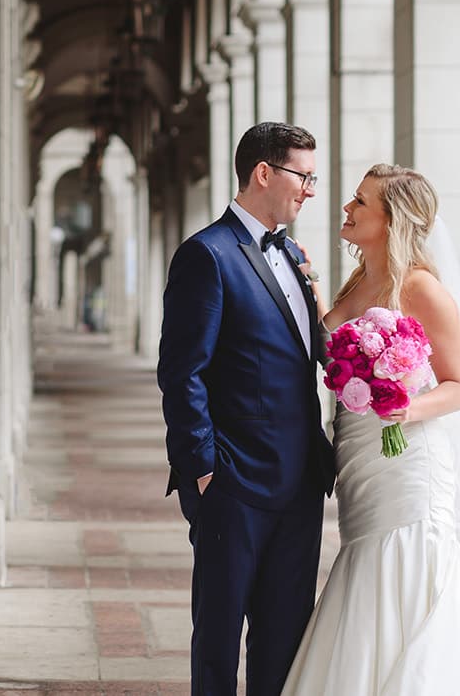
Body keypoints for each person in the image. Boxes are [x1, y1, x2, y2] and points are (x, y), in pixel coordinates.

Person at [281, 163, 460, 695]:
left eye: (360, 203)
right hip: (358, 456)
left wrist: (406, 409)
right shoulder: (361, 278)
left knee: (411, 564)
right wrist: (311, 289)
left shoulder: (421, 289)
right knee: (367, 560)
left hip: (406, 458)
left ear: (392, 221)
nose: (346, 208)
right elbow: (332, 344)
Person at [158, 122, 336, 696]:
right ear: (264, 173)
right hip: (233, 485)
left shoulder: (294, 254)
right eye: (303, 176)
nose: (311, 189)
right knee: (217, 640)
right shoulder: (206, 255)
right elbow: (182, 372)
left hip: (300, 482)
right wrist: (205, 468)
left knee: (284, 641)